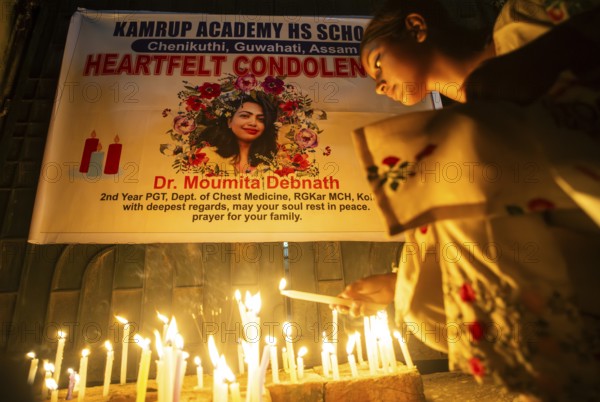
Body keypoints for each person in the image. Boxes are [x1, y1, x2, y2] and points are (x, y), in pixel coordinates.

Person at [335, 1, 600, 400]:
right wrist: (401, 284)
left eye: (378, 63)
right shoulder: (467, 120)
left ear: (416, 26)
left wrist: (544, 55)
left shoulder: (522, 20)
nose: (379, 84)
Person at [198, 93, 279, 174]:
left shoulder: (275, 162)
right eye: (245, 116)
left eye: (261, 119)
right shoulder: (206, 156)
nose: (253, 123)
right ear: (229, 122)